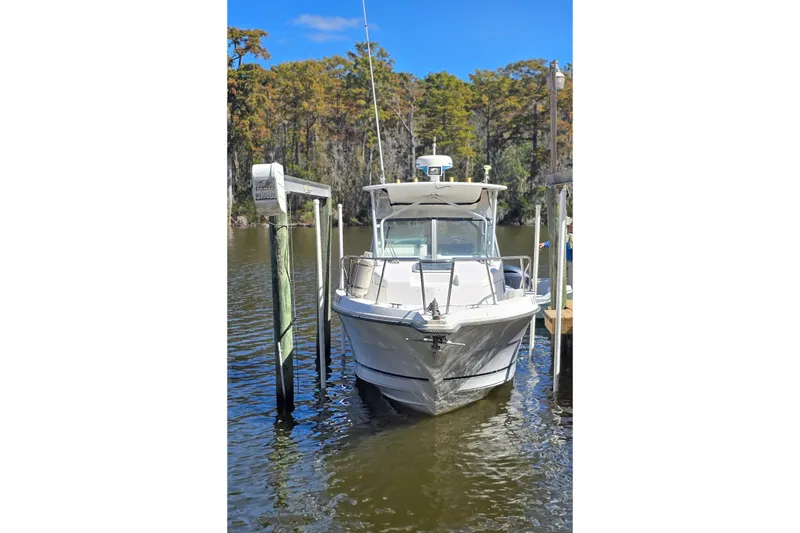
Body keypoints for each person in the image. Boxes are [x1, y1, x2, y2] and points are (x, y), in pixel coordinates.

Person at [539, 219, 573, 286]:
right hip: (566, 260)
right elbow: (556, 241)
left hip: (571, 261)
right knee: (564, 277)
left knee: (571, 279)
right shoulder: (566, 236)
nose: (570, 226)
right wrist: (545, 244)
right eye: (570, 224)